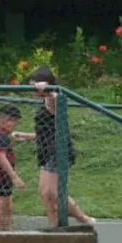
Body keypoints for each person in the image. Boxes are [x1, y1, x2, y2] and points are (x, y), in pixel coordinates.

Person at [13, 68, 95, 227]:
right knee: (45, 193)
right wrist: (26, 136)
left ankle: (83, 219)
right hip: (46, 151)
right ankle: (54, 224)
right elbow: (47, 131)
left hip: (57, 150)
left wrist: (49, 91)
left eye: (34, 86)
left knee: (54, 193)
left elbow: (56, 99)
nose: (32, 90)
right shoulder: (44, 101)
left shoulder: (53, 99)